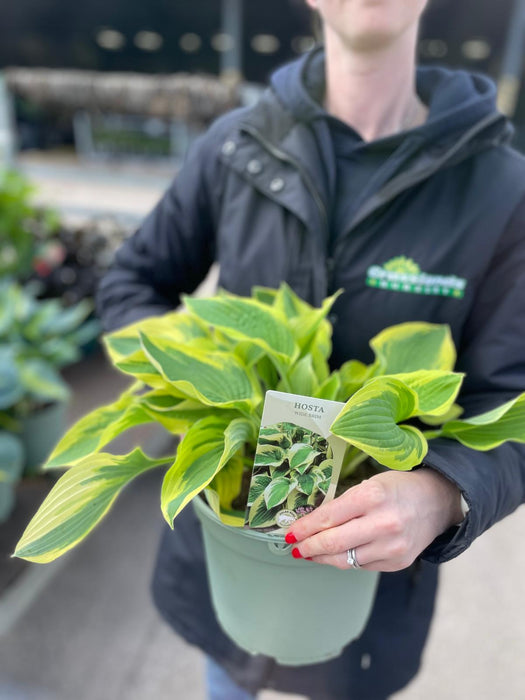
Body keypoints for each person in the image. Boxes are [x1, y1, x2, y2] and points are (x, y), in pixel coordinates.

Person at [96, 1, 525, 697]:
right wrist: (184, 375)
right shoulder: (234, 144)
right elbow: (131, 281)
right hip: (224, 566)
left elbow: (512, 405)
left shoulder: (503, 191)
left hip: (366, 599)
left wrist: (443, 495)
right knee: (226, 679)